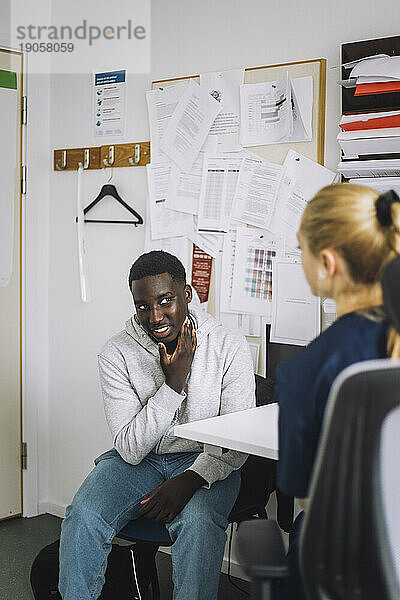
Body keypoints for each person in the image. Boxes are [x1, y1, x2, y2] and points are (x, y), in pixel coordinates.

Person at [58, 250, 255, 600]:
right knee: (83, 515)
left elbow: (237, 443)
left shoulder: (229, 346)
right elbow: (130, 448)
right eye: (143, 306)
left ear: (187, 295)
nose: (156, 316)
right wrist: (173, 385)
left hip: (206, 462)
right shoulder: (116, 353)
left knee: (197, 524)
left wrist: (191, 479)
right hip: (142, 461)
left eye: (166, 301)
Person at [275, 185, 400, 599]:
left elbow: (312, 499)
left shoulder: (303, 372)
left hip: (354, 571)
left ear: (327, 262)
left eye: (301, 250)